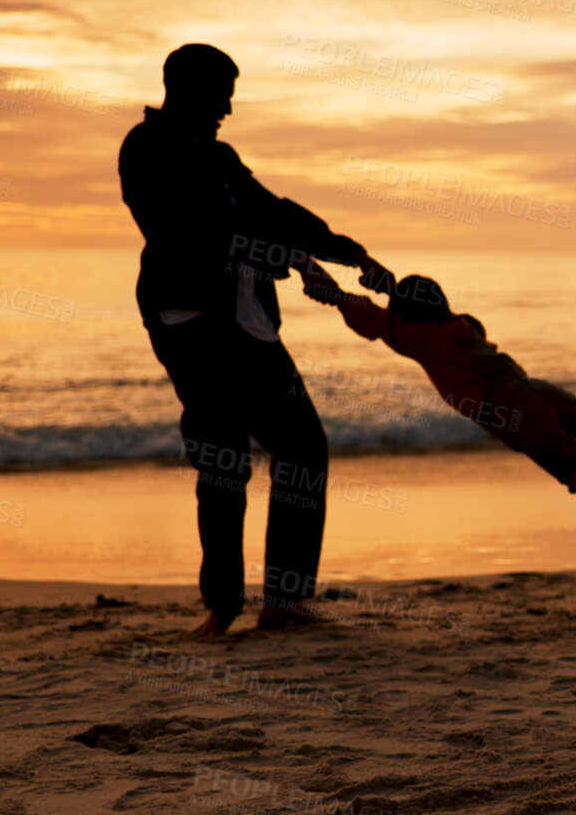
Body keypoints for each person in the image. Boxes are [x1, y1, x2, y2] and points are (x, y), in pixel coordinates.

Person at [119, 43, 396, 638]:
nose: (227, 108)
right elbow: (191, 233)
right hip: (193, 325)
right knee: (224, 462)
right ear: (186, 85)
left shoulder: (221, 157)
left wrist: (349, 254)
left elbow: (274, 211)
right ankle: (221, 608)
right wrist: (290, 258)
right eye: (221, 94)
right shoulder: (145, 150)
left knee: (302, 449)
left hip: (248, 324)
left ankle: (284, 603)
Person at [297, 260, 576, 499]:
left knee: (570, 470)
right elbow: (399, 302)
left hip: (500, 405)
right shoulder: (463, 324)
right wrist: (383, 283)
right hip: (526, 386)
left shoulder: (406, 332)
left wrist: (308, 267)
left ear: (403, 310)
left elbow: (347, 301)